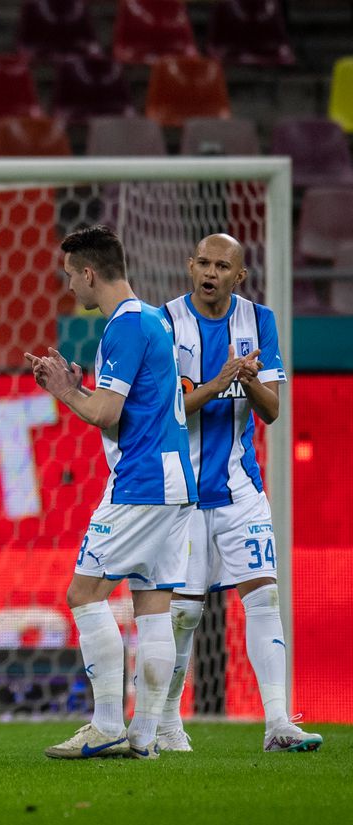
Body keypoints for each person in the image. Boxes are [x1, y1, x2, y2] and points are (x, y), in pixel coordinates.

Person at [25, 225, 196, 760]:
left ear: (90, 273)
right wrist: (81, 384)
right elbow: (135, 407)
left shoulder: (122, 327)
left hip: (141, 484)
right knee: (151, 606)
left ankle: (105, 725)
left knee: (84, 594)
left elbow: (106, 412)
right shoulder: (155, 320)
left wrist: (65, 391)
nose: (69, 286)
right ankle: (144, 735)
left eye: (70, 275)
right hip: (176, 483)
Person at [158, 233, 322, 753]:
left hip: (239, 489)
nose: (210, 272)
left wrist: (248, 379)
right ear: (190, 267)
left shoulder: (260, 321)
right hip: (181, 495)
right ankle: (165, 723)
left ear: (239, 275)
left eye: (222, 266)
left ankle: (278, 723)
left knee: (265, 595)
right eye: (203, 263)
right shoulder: (165, 323)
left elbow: (272, 411)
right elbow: (174, 410)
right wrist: (222, 376)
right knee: (182, 614)